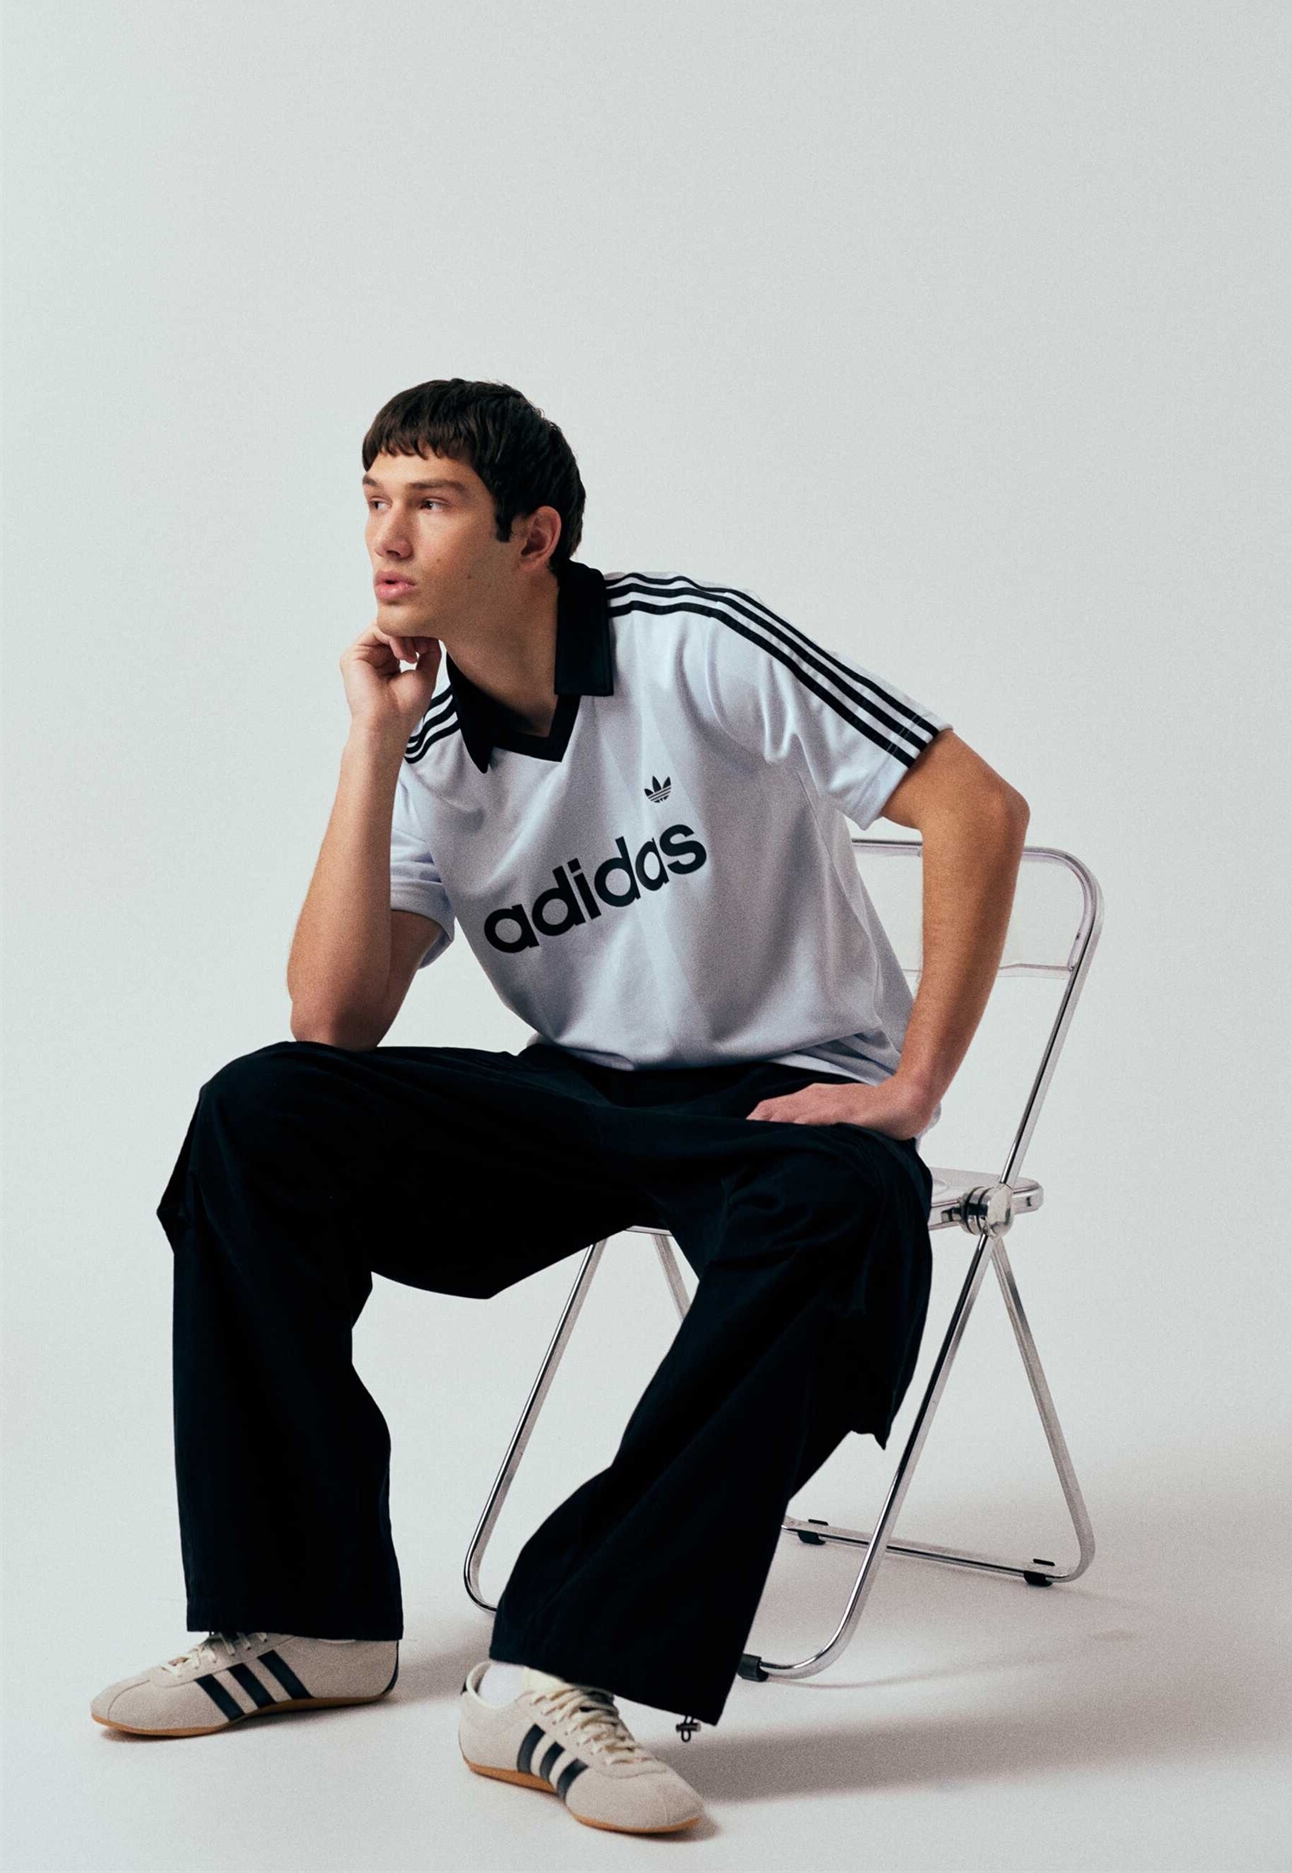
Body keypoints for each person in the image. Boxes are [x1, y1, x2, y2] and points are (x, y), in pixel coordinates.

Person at [89, 378, 1030, 1837]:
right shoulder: (432, 745)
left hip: (774, 1097)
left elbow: (974, 805)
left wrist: (912, 1087)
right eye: (373, 500)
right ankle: (304, 1619)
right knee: (262, 1113)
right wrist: (371, 745)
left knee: (849, 1214)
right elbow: (336, 1020)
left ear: (533, 536)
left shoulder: (693, 642)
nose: (385, 537)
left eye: (431, 502)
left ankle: (557, 1662)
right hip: (578, 1096)